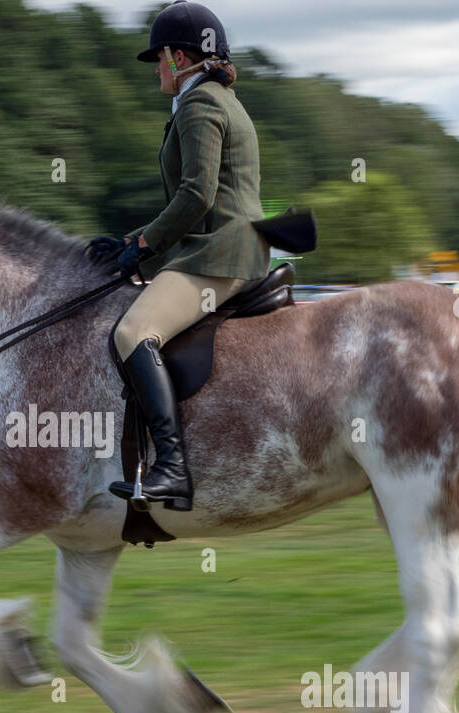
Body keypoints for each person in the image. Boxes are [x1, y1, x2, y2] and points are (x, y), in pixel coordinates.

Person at [87, 1, 270, 512]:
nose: (156, 71)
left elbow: (196, 197)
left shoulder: (199, 104)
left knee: (131, 333)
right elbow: (193, 201)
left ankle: (171, 467)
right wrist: (131, 241)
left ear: (179, 56)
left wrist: (145, 246)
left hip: (220, 254)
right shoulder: (215, 98)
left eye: (159, 58)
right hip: (225, 244)